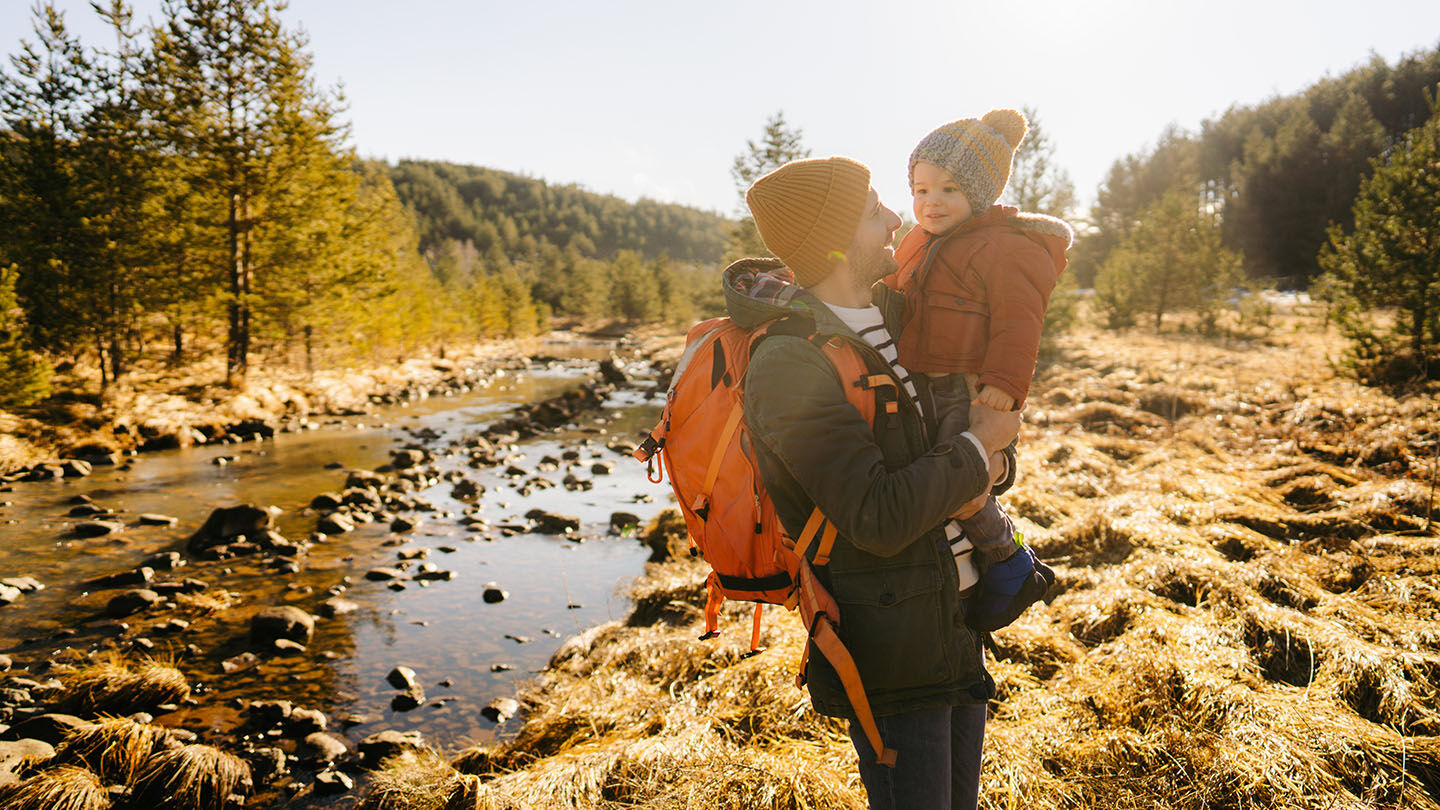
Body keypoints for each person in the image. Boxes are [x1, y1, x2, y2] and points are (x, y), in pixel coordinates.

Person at [736, 155, 1038, 809]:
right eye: (876, 210)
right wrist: (980, 449)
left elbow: (974, 436)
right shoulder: (788, 362)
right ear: (836, 239)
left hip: (959, 617)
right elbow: (874, 515)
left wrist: (996, 460)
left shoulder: (909, 317)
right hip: (892, 641)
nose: (899, 217)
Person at [885, 110, 1071, 615]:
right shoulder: (917, 243)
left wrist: (1004, 386)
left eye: (948, 190)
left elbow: (1019, 322)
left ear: (980, 192)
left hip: (968, 387)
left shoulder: (1005, 247)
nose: (931, 202)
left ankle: (1007, 559)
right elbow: (891, 292)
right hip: (921, 381)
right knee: (927, 477)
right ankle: (965, 564)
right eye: (921, 190)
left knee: (959, 477)